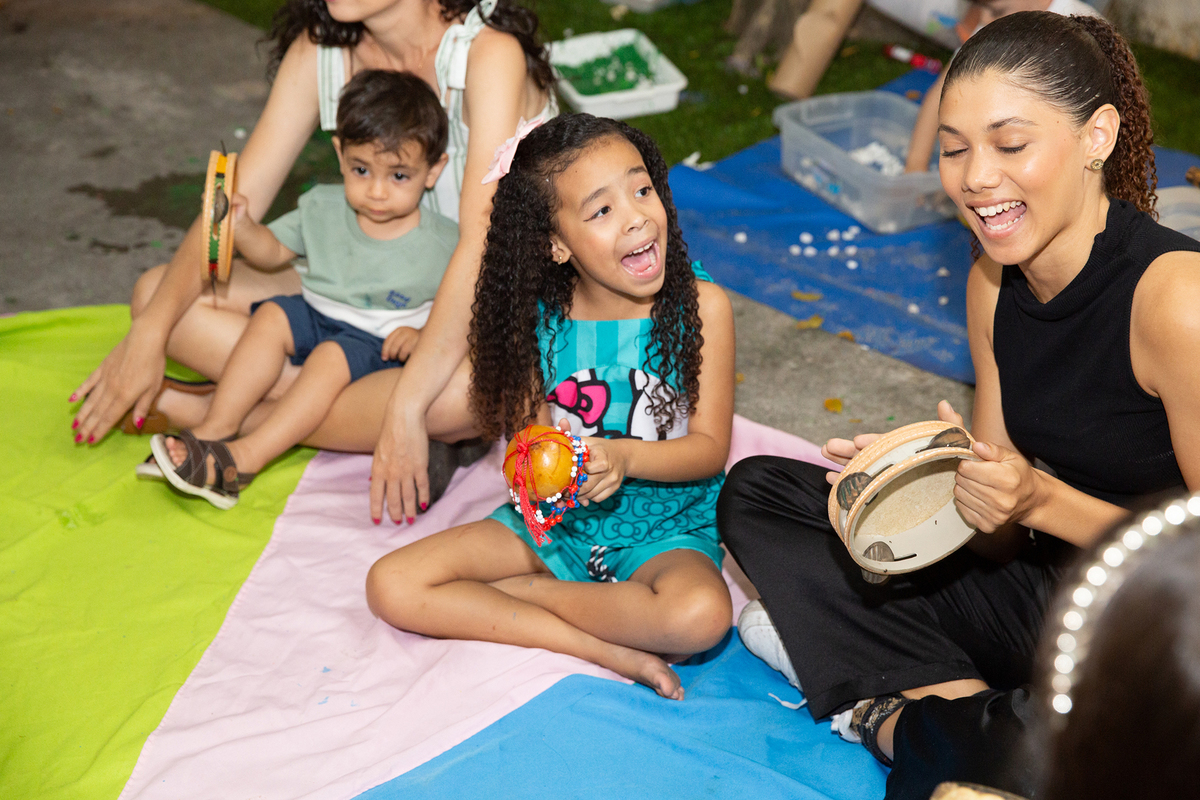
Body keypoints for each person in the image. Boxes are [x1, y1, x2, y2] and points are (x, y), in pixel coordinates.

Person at [717, 11, 1200, 799]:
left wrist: (1042, 497)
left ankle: (897, 719)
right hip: (1050, 599)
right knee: (762, 495)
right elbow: (1000, 535)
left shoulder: (1176, 299)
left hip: (1162, 626)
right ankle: (975, 722)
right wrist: (934, 478)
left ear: (1098, 136)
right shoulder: (990, 284)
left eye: (1011, 145)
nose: (976, 177)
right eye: (953, 148)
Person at [69, 0, 556, 522]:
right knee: (156, 296)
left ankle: (225, 410)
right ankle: (368, 414)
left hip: (474, 304)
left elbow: (482, 245)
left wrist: (409, 404)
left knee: (469, 393)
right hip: (361, 286)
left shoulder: (486, 55)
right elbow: (232, 209)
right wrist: (148, 335)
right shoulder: (325, 48)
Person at [365, 114, 737, 700]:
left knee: (700, 618)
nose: (638, 215)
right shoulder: (541, 323)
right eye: (602, 210)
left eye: (642, 190)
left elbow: (710, 451)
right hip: (554, 529)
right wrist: (537, 457)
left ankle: (521, 597)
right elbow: (530, 441)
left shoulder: (703, 306)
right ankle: (602, 646)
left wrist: (622, 458)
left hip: (662, 531)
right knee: (391, 583)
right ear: (556, 244)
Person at [149, 70, 456, 510]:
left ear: (433, 170)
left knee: (331, 357)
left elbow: (466, 311)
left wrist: (424, 336)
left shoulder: (443, 243)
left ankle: (245, 459)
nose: (376, 191)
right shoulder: (322, 206)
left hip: (375, 340)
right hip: (316, 310)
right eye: (361, 169)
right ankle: (215, 428)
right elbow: (274, 252)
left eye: (399, 176)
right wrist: (244, 228)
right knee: (271, 315)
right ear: (340, 154)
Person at [904, 0, 1103, 173]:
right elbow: (943, 90)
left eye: (996, 11)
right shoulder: (995, 25)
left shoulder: (1077, 35)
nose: (983, 20)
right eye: (979, 8)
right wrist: (915, 166)